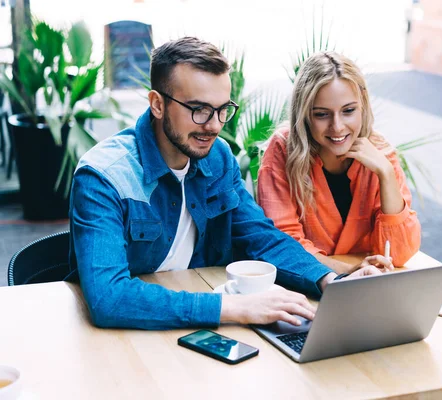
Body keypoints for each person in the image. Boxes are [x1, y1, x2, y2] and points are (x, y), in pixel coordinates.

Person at [69, 37, 380, 330]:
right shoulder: (103, 177)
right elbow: (109, 298)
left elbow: (262, 236)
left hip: (196, 322)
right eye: (199, 110)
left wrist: (330, 281)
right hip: (124, 336)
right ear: (157, 104)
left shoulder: (217, 157)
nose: (214, 125)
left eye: (222, 110)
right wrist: (235, 307)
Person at [257, 52, 421, 274]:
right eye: (322, 114)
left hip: (368, 285)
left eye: (348, 111)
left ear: (362, 104)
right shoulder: (283, 150)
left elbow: (399, 254)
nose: (338, 127)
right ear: (304, 114)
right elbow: (284, 246)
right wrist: (349, 272)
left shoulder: (380, 153)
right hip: (306, 287)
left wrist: (386, 174)